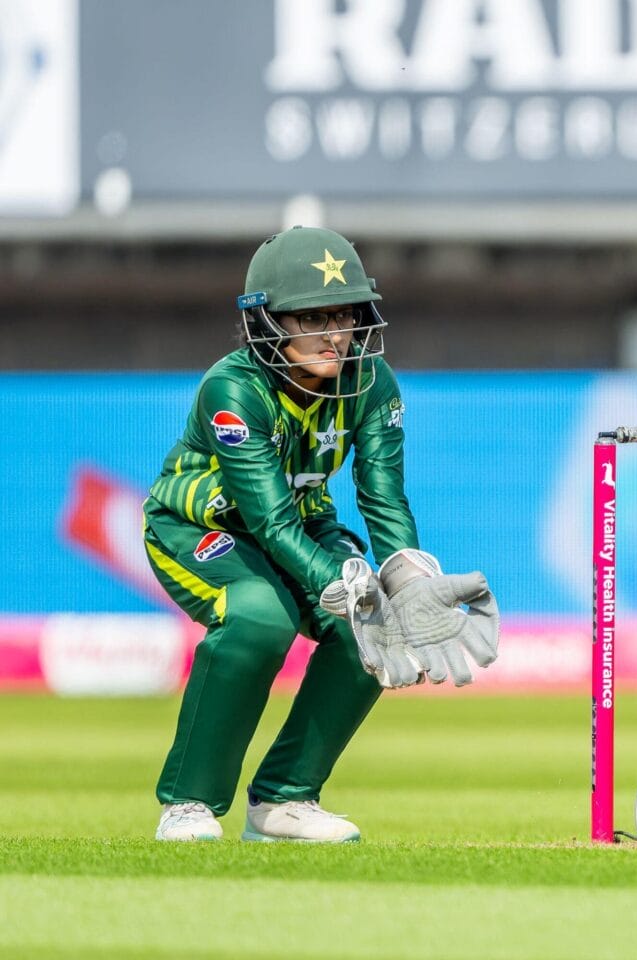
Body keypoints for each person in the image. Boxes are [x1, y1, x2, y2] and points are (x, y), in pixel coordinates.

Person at [146, 226, 500, 843]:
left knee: (380, 621)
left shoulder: (370, 382)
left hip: (303, 522)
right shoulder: (233, 389)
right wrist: (341, 578)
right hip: (199, 527)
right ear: (267, 322)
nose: (335, 334)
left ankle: (284, 800)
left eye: (343, 313)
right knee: (261, 617)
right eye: (311, 317)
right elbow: (268, 521)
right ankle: (189, 803)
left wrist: (407, 578)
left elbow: (383, 498)